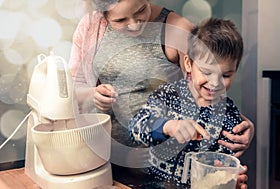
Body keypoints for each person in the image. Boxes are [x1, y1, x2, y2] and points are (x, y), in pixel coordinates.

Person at [68, 0, 252, 188]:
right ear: (103, 14)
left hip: (158, 175)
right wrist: (92, 95)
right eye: (120, 20)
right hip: (107, 160)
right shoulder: (91, 26)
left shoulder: (178, 31)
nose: (133, 24)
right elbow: (74, 92)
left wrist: (227, 174)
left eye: (140, 10)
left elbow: (203, 93)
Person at [128, 17, 249, 188]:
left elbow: (223, 166)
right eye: (207, 72)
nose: (215, 83)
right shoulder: (168, 96)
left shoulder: (229, 117)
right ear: (188, 64)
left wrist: (230, 180)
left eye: (226, 75)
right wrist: (169, 127)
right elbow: (135, 128)